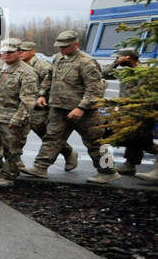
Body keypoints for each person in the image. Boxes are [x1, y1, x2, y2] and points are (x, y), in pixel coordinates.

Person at [22, 30, 118, 184]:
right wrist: (41, 94)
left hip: (83, 111)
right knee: (52, 138)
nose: (61, 49)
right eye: (59, 46)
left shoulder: (86, 62)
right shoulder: (59, 58)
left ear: (76, 44)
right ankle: (40, 168)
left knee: (95, 141)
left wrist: (81, 107)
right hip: (58, 107)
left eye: (65, 46)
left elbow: (95, 89)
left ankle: (108, 171)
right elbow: (49, 78)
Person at [0, 39, 39, 188]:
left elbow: (29, 100)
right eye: (4, 52)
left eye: (11, 52)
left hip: (12, 116)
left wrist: (18, 118)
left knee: (12, 149)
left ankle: (8, 176)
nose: (7, 55)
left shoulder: (27, 72)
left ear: (19, 52)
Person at [22, 39, 77, 171]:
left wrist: (41, 99)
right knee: (15, 135)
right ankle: (13, 163)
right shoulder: (18, 66)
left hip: (39, 108)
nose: (20, 53)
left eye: (23, 51)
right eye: (18, 51)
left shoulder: (42, 67)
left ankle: (68, 152)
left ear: (33, 52)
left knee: (48, 135)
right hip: (22, 106)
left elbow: (50, 85)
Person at [113, 48, 152, 175]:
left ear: (128, 57)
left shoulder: (143, 72)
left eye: (119, 57)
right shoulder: (125, 71)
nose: (117, 59)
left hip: (139, 112)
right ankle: (130, 165)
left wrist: (133, 109)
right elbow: (102, 74)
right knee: (135, 140)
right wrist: (115, 63)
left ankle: (130, 164)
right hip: (127, 111)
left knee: (143, 141)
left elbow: (144, 94)